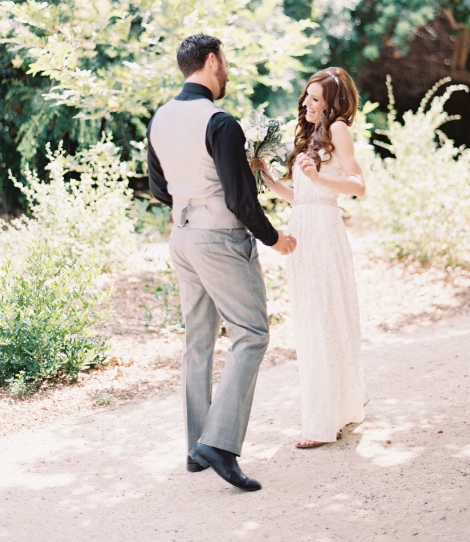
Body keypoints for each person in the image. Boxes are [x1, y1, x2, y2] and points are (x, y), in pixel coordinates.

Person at [147, 34, 296, 491]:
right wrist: (274, 238)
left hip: (181, 237)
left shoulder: (160, 118)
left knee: (198, 340)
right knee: (251, 334)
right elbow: (239, 198)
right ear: (212, 61)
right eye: (225, 62)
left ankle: (197, 448)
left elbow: (158, 188)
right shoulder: (220, 122)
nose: (227, 71)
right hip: (219, 239)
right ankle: (220, 444)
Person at [253, 67, 369, 448]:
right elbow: (301, 196)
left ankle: (323, 423)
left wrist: (319, 179)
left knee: (325, 321)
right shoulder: (309, 137)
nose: (306, 103)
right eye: (307, 96)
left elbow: (357, 185)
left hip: (324, 232)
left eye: (315, 98)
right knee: (311, 322)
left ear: (333, 103)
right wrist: (268, 178)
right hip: (303, 227)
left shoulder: (338, 130)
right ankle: (339, 409)